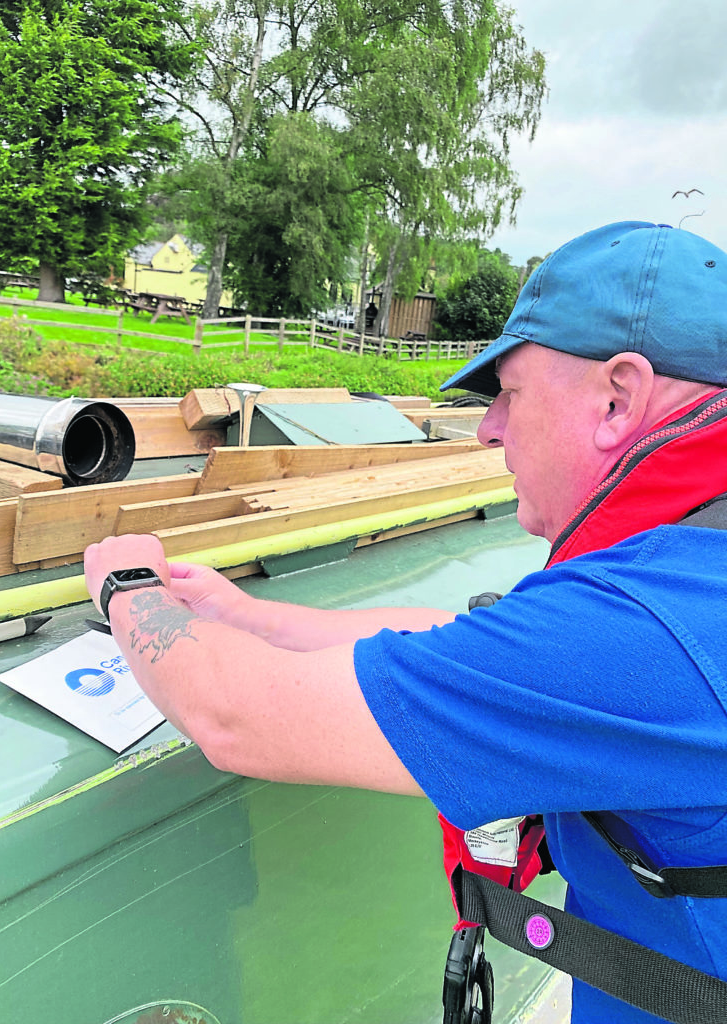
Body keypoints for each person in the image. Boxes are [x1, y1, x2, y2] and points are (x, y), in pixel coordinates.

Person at [85, 221, 727, 1023]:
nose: (488, 429)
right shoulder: (692, 563)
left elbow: (232, 714)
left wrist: (127, 582)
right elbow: (468, 648)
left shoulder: (645, 628)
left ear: (618, 397)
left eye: (509, 396)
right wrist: (247, 612)